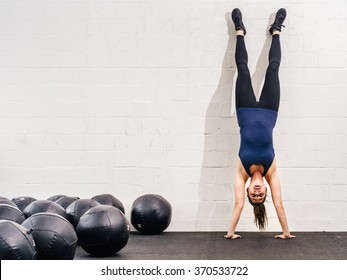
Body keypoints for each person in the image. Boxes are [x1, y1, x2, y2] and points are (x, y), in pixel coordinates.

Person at [224, 8, 295, 239]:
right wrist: (286, 233)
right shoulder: (271, 172)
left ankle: (239, 30)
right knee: (273, 69)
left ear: (248, 190)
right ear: (265, 190)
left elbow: (237, 205)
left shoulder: (241, 172)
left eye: (253, 195)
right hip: (269, 110)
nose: (256, 192)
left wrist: (230, 232)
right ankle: (276, 30)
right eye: (260, 195)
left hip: (244, 110)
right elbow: (280, 203)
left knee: (242, 70)